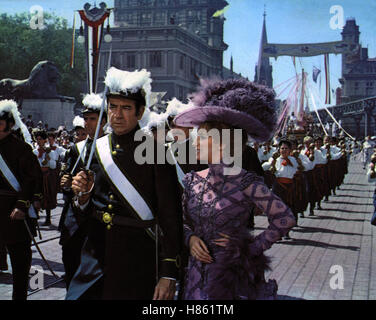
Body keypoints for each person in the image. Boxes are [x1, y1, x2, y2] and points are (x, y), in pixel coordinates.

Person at [174, 79, 296, 300]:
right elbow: (181, 221)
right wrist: (190, 238)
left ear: (221, 143)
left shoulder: (246, 182)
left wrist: (248, 247)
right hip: (194, 276)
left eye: (201, 137)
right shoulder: (191, 181)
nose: (194, 143)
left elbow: (285, 218)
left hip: (232, 279)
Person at [67, 67, 182, 300]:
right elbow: (85, 212)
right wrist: (82, 197)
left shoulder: (156, 153)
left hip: (137, 257)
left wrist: (168, 273)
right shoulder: (96, 148)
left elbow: (171, 217)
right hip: (95, 255)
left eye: (126, 108)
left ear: (140, 113)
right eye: (113, 107)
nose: (117, 115)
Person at [58, 93, 106, 289]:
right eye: (85, 119)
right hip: (74, 219)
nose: (87, 123)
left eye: (92, 119)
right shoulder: (77, 149)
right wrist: (67, 183)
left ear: (104, 121)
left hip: (98, 219)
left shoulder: (111, 149)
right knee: (70, 264)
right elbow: (67, 183)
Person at [0, 100, 42, 300]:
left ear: (9, 124)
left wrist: (22, 205)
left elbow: (31, 179)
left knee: (20, 261)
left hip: (14, 211)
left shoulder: (21, 148)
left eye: (0, 124)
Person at [33, 130, 59, 226]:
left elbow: (53, 166)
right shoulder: (34, 152)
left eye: (41, 139)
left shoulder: (51, 152)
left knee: (46, 195)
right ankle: (35, 218)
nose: (39, 141)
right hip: (37, 176)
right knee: (36, 196)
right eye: (37, 139)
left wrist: (48, 160)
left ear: (45, 140)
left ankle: (48, 218)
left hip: (46, 176)